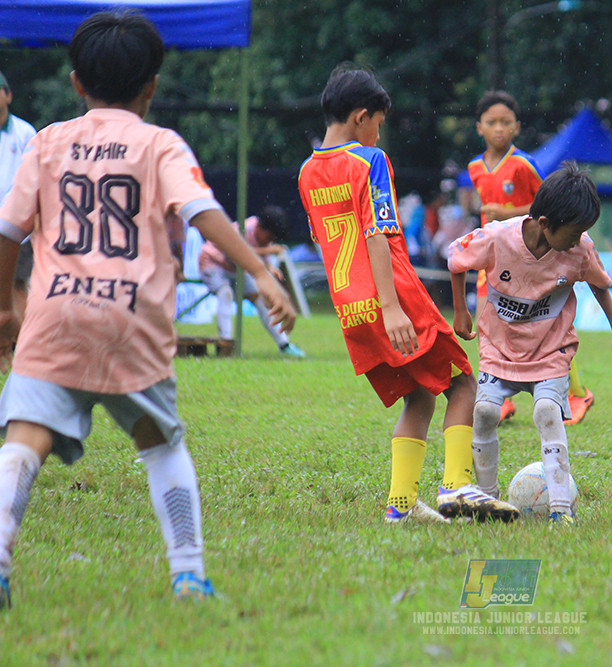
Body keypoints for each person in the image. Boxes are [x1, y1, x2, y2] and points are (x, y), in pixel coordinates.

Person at [0, 10, 298, 608]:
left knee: (23, 438)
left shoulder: (48, 141)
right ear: (152, 85)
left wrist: (6, 307)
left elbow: (8, 232)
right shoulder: (160, 143)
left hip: (55, 313)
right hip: (132, 317)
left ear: (76, 81)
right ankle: (187, 574)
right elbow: (201, 213)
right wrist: (262, 271)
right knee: (160, 445)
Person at [297, 63, 518, 525]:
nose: (380, 133)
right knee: (462, 382)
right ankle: (458, 486)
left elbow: (326, 242)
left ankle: (400, 506)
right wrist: (394, 307)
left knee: (418, 396)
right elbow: (377, 234)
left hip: (351, 307)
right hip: (392, 295)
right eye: (379, 123)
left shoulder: (307, 172)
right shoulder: (369, 160)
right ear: (361, 117)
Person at [447, 163, 612, 526]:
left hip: (551, 348)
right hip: (500, 345)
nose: (578, 238)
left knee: (547, 412)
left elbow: (598, 282)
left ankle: (560, 511)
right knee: (485, 413)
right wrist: (461, 312)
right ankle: (489, 502)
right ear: (544, 223)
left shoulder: (580, 249)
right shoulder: (496, 237)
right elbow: (456, 260)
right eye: (573, 231)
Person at [468, 90, 596, 426]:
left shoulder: (523, 165)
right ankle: (499, 396)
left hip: (531, 257)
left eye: (506, 122)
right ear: (479, 127)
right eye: (492, 122)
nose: (499, 128)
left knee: (547, 327)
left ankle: (577, 392)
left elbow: (550, 206)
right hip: (495, 258)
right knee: (489, 323)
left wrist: (505, 211)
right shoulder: (474, 168)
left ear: (517, 127)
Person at [198, 205, 306, 358]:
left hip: (236, 269)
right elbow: (235, 252)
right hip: (213, 263)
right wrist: (267, 253)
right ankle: (226, 344)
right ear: (260, 228)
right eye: (269, 238)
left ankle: (284, 345)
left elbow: (257, 262)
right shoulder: (243, 229)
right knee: (225, 293)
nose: (269, 242)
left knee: (262, 300)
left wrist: (268, 268)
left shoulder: (266, 240)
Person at [0, 70, 37, 321]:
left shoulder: (25, 133)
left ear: (8, 95)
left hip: (16, 225)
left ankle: (18, 344)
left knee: (17, 284)